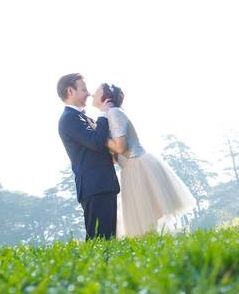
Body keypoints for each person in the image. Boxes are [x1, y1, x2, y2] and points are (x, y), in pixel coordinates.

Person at [92, 83, 196, 237]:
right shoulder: (110, 114)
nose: (91, 94)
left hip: (138, 166)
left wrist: (99, 136)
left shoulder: (113, 113)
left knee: (147, 220)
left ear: (105, 97)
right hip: (130, 168)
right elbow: (116, 156)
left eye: (96, 91)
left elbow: (120, 148)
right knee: (145, 222)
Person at [57, 73, 119, 240]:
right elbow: (96, 142)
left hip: (104, 185)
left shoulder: (83, 117)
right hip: (94, 188)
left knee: (109, 240)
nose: (89, 93)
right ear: (70, 91)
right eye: (83, 89)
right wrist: (104, 114)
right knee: (99, 240)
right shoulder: (69, 119)